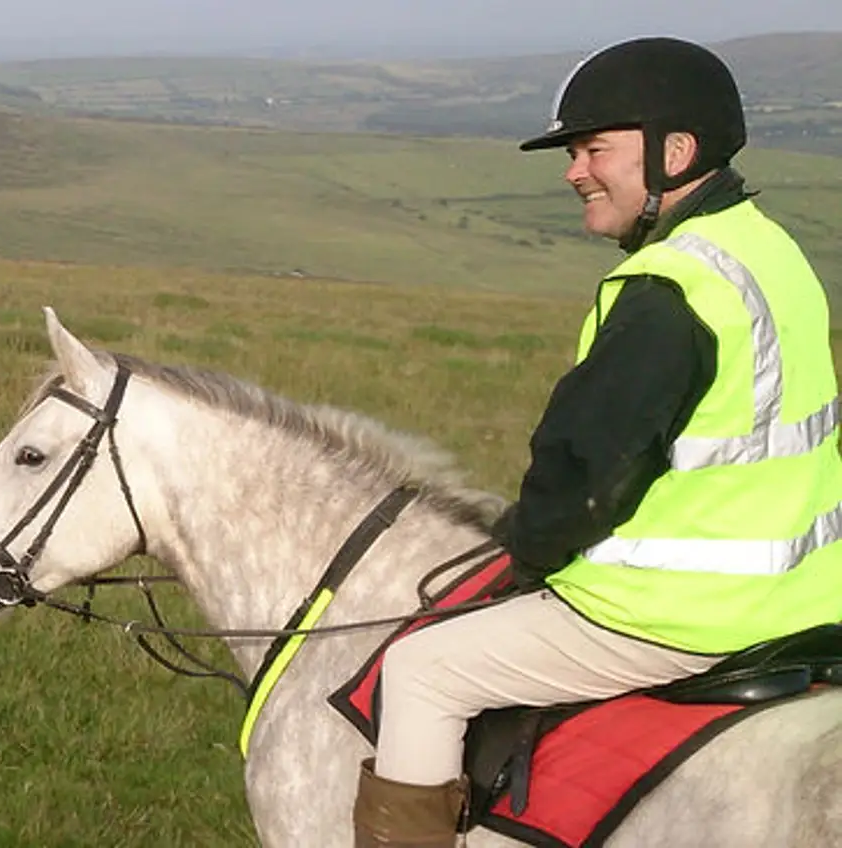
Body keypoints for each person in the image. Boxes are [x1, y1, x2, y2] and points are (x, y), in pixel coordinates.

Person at [351, 36, 842, 848]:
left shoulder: (667, 287)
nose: (574, 170)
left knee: (422, 670)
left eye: (594, 149)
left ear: (675, 153)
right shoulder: (769, 250)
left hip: (681, 615)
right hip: (805, 600)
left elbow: (582, 478)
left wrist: (532, 555)